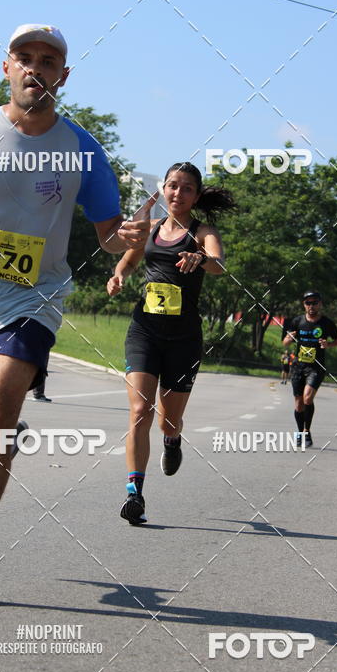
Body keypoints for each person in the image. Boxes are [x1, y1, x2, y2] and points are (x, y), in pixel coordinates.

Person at [0, 23, 152, 606]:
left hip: (33, 298)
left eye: (48, 60)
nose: (35, 68)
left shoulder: (83, 150)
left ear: (62, 76)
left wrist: (131, 240)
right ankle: (3, 431)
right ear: (7, 67)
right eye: (25, 57)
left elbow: (108, 236)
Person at [107, 162, 234, 525]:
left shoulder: (202, 231)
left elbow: (219, 265)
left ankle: (173, 440)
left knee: (168, 422)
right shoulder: (147, 229)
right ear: (163, 189)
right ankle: (135, 493)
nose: (178, 193)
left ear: (196, 194)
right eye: (173, 186)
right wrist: (117, 278)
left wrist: (201, 258)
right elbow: (127, 263)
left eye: (187, 188)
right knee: (139, 411)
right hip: (144, 331)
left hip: (183, 338)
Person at [283, 290, 337, 448]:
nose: (311, 306)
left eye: (314, 302)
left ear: (320, 304)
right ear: (304, 305)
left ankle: (307, 430)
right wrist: (288, 339)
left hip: (316, 367)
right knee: (298, 404)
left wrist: (328, 345)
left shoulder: (326, 323)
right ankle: (300, 432)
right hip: (298, 367)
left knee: (308, 397)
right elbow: (285, 342)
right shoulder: (297, 321)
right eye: (308, 303)